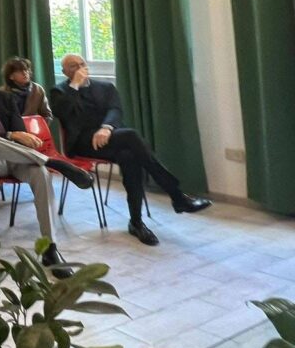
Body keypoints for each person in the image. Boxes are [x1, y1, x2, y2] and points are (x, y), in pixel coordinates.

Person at [0, 58, 94, 277]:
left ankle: (50, 248)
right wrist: (10, 135)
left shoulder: (4, 98)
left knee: (41, 174)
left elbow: (21, 132)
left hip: (17, 159)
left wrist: (15, 135)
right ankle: (52, 161)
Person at [49, 54, 211, 246]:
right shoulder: (59, 91)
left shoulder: (105, 87)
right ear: (64, 72)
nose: (79, 68)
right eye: (73, 66)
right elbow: (62, 112)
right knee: (131, 135)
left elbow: (115, 110)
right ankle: (176, 195)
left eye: (82, 64)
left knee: (129, 156)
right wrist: (74, 85)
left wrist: (107, 128)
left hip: (108, 137)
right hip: (82, 143)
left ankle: (136, 223)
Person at [0, 57, 53, 126]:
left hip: (32, 130)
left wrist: (37, 127)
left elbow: (47, 115)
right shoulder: (1, 93)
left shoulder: (37, 90)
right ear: (11, 76)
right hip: (10, 131)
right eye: (19, 71)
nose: (25, 73)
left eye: (26, 70)